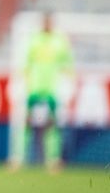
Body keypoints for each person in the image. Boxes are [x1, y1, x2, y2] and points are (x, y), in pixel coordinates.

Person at [10, 11, 73, 173]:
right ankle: (18, 158)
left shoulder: (60, 41)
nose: (47, 24)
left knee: (51, 124)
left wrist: (69, 86)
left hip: (52, 89)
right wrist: (19, 84)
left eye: (49, 21)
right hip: (33, 88)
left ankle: (53, 160)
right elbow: (24, 64)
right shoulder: (34, 39)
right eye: (44, 21)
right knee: (27, 123)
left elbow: (68, 66)